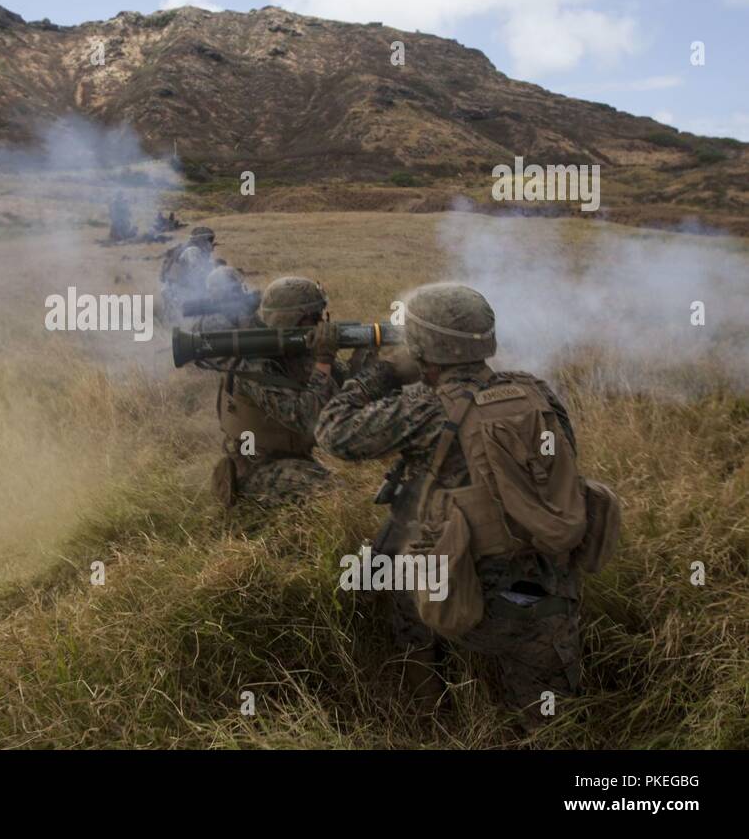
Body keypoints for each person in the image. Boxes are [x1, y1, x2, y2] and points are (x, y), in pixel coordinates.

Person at [309, 283, 587, 727]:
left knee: (395, 572)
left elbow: (332, 432)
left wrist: (381, 375)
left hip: (461, 596)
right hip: (548, 595)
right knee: (552, 726)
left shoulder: (424, 406)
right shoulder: (537, 393)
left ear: (421, 348)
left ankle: (430, 714)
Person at [208, 276, 348, 508]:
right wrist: (324, 361)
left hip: (289, 458)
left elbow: (343, 392)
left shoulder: (295, 352)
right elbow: (307, 418)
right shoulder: (255, 365)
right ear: (291, 320)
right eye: (314, 318)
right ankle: (249, 509)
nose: (321, 323)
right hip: (256, 469)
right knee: (334, 495)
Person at [159, 227, 217, 319]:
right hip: (180, 293)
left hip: (175, 290)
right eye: (209, 240)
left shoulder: (188, 248)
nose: (210, 243)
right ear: (201, 240)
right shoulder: (193, 251)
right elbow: (199, 272)